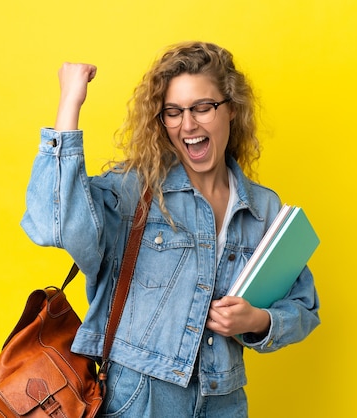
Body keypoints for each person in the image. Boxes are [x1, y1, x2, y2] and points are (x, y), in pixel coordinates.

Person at [21, 41, 320, 417]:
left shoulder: (264, 209)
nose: (188, 124)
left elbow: (304, 306)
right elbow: (55, 223)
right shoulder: (135, 192)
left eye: (202, 108)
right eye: (173, 112)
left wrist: (256, 320)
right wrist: (70, 104)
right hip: (140, 396)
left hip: (223, 399)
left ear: (231, 109)